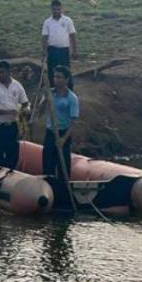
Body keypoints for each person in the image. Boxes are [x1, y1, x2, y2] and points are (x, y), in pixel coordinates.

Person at [42, 66, 79, 205]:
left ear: (66, 79)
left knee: (63, 165)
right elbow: (40, 110)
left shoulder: (71, 98)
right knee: (48, 164)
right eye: (55, 77)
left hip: (64, 133)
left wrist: (63, 139)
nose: (56, 80)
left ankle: (64, 196)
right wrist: (45, 99)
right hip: (51, 132)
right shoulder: (50, 93)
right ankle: (48, 193)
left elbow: (73, 122)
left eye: (59, 77)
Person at [41, 0, 77, 90]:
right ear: (51, 9)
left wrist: (74, 50)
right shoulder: (47, 22)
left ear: (61, 9)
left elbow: (72, 35)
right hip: (52, 49)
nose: (56, 11)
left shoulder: (67, 20)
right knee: (52, 71)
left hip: (64, 50)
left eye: (58, 9)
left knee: (66, 70)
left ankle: (69, 89)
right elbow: (45, 37)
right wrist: (44, 51)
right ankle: (54, 90)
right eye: (54, 9)